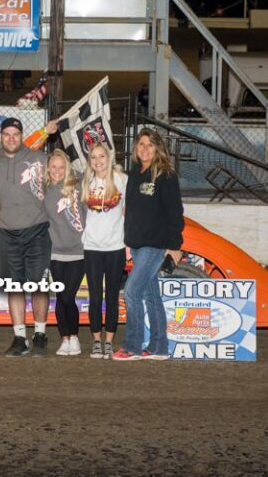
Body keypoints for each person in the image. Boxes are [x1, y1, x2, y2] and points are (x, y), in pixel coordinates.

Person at [113, 128, 184, 361]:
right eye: (141, 144)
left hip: (154, 244)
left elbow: (175, 213)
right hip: (136, 244)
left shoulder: (165, 175)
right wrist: (126, 241)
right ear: (136, 148)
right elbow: (131, 210)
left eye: (150, 145)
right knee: (151, 296)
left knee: (132, 292)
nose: (144, 149)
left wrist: (175, 246)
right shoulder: (135, 174)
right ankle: (158, 347)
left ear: (158, 148)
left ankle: (132, 347)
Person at [0, 117, 51, 357]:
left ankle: (41, 335)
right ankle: (20, 337)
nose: (11, 138)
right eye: (6, 134)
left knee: (38, 285)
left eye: (15, 134)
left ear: (22, 136)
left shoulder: (39, 160)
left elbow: (61, 183)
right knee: (15, 286)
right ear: (0, 137)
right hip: (8, 232)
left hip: (38, 230)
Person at [81, 143, 128, 359]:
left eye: (102, 156)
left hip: (115, 247)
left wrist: (128, 241)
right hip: (91, 247)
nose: (98, 161)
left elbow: (128, 210)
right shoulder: (86, 181)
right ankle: (96, 341)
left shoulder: (121, 179)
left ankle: (109, 341)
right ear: (89, 161)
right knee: (95, 297)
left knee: (111, 297)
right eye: (93, 157)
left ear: (109, 158)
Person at [44, 149, 86, 356]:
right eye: (53, 167)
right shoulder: (43, 191)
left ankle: (75, 336)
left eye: (61, 167)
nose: (57, 171)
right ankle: (65, 339)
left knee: (68, 296)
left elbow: (90, 215)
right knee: (61, 296)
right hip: (55, 252)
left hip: (79, 251)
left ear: (67, 169)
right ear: (48, 168)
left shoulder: (77, 187)